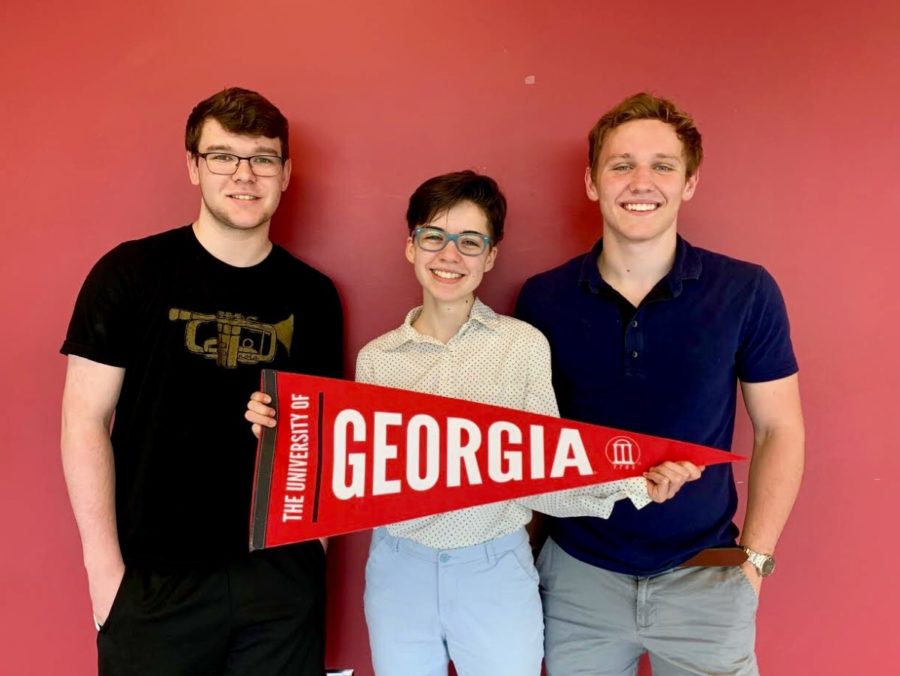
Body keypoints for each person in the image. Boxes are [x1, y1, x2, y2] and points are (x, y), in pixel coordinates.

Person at [247, 170, 700, 676]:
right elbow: (351, 472)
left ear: (490, 256)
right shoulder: (377, 360)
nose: (449, 255)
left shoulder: (522, 345)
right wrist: (283, 432)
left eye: (469, 241)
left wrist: (636, 482)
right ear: (411, 247)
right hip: (399, 569)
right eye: (434, 237)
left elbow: (548, 476)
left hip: (496, 570)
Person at [514, 92, 805, 675]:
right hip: (578, 578)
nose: (640, 181)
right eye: (621, 165)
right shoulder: (542, 298)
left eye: (662, 166)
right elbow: (527, 442)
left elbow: (780, 428)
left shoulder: (745, 290)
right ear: (593, 183)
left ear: (689, 183)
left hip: (707, 576)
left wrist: (755, 560)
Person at [60, 87, 343, 675]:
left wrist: (313, 555)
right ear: (193, 166)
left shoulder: (314, 296)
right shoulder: (129, 273)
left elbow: (324, 434)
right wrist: (105, 574)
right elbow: (82, 418)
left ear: (286, 173)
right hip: (153, 581)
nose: (244, 174)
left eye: (263, 158)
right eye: (223, 156)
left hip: (279, 580)